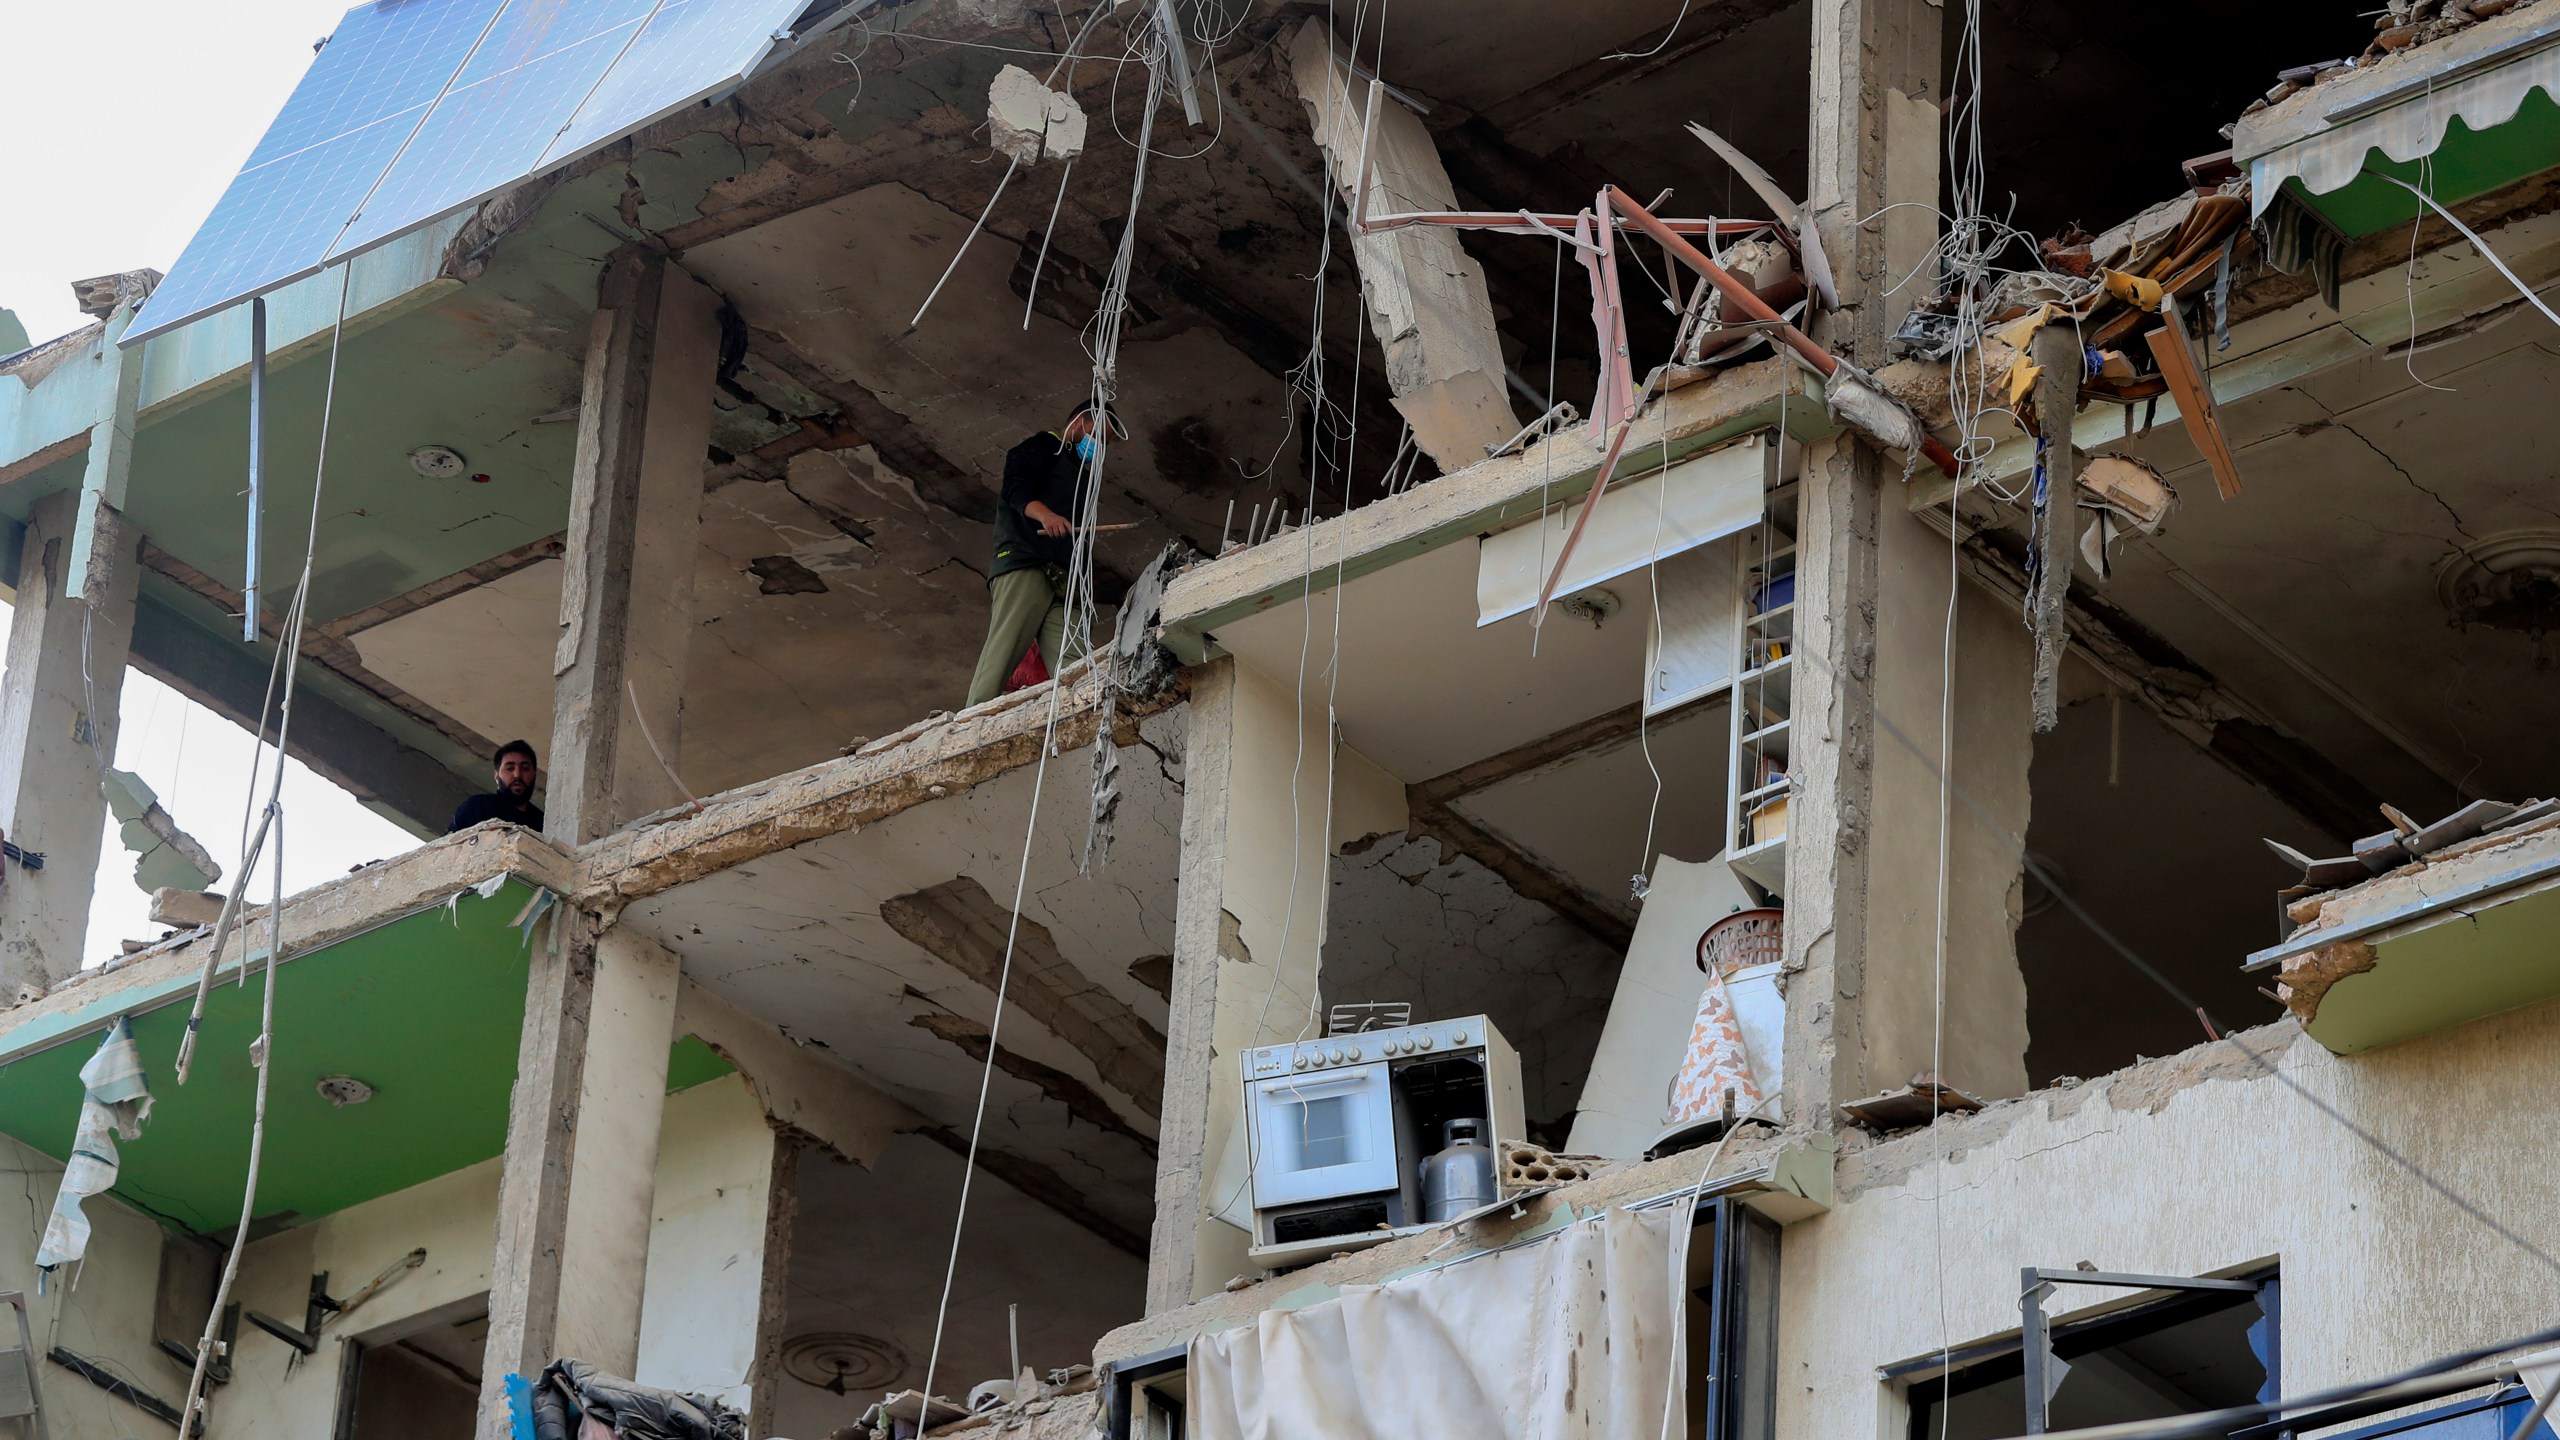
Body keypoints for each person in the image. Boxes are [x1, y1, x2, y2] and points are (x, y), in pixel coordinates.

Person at [964, 401, 1125, 707]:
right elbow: (1017, 490)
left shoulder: (1081, 473)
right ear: (1078, 422)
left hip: (1064, 576)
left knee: (1074, 656)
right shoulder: (1041, 447)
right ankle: (972, 716)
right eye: (1098, 436)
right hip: (1026, 562)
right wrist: (1047, 516)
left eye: (1105, 444)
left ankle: (1089, 711)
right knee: (1006, 646)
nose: (1099, 447)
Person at [446, 739, 545, 834]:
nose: (517, 775)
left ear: (534, 774)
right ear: (496, 775)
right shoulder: (478, 807)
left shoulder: (543, 823)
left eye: (525, 768)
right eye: (510, 768)